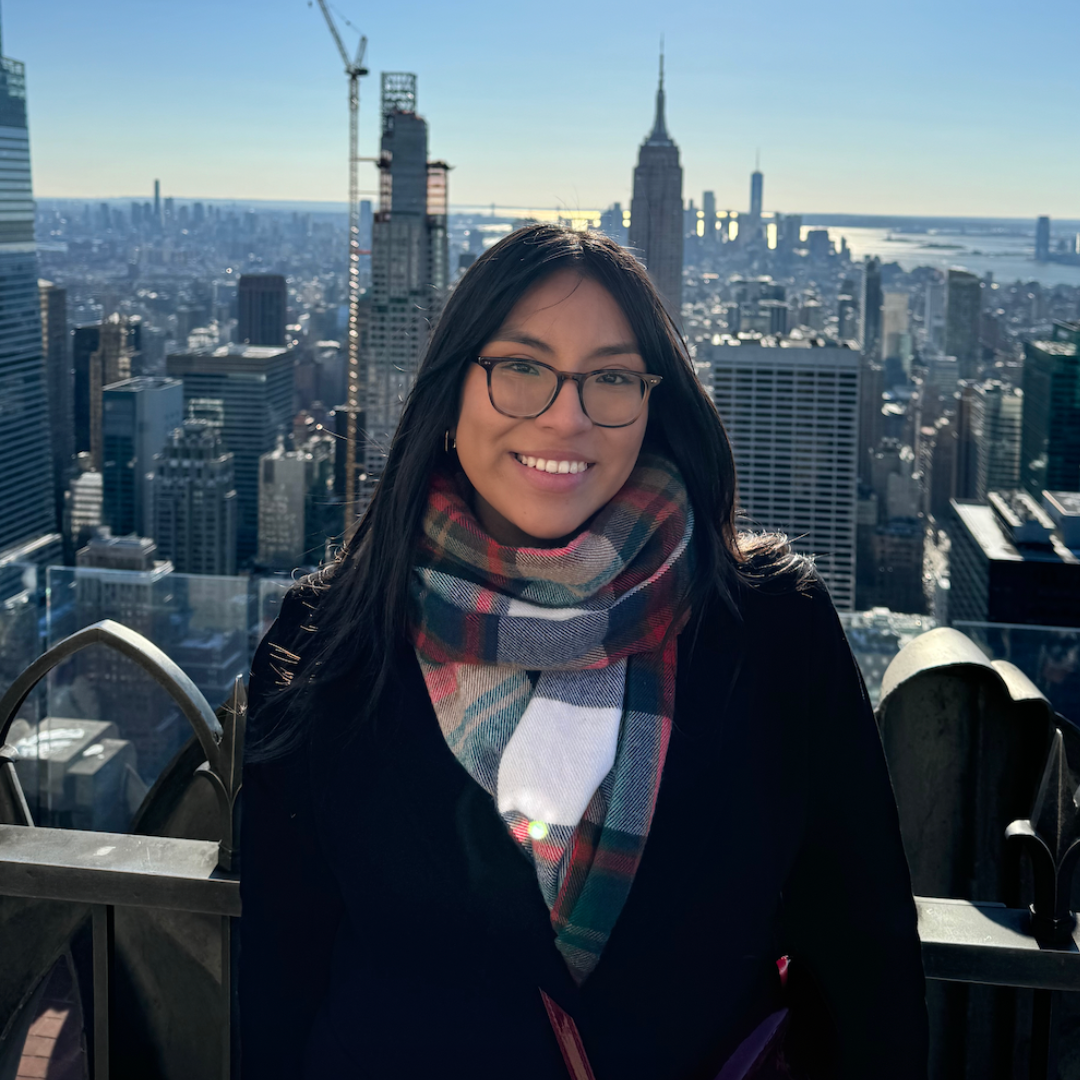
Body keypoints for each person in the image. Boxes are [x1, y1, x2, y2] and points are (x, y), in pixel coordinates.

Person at [239, 224, 928, 1079]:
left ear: (652, 402)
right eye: (521, 367)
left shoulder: (772, 629)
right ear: (452, 391)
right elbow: (278, 976)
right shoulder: (326, 644)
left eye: (609, 378)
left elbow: (866, 958)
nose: (565, 416)